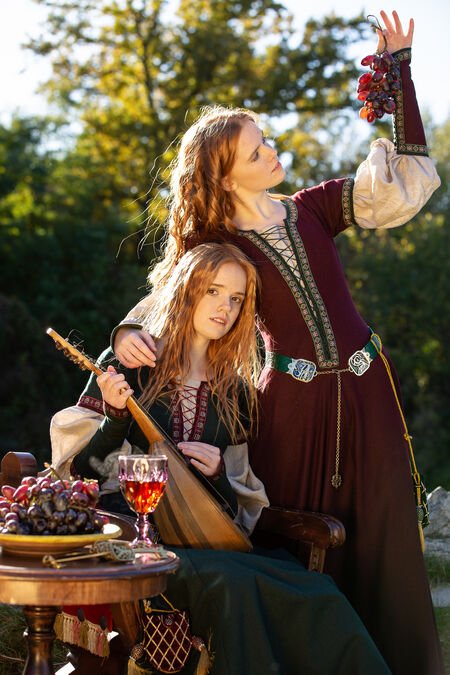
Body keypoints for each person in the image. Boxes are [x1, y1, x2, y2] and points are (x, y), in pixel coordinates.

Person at [110, 11, 443, 674]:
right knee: (299, 537)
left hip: (369, 391)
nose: (272, 152)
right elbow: (167, 300)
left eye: (266, 141)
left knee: (385, 536)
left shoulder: (314, 207)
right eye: (257, 151)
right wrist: (126, 332)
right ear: (227, 176)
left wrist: (400, 73)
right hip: (289, 409)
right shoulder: (215, 244)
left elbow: (406, 183)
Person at [51, 243, 390, 675]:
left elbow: (231, 518)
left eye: (236, 298)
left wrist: (217, 477)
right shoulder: (130, 363)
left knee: (314, 588)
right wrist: (115, 419)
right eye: (213, 291)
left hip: (206, 544)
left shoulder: (235, 393)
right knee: (233, 582)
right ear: (186, 290)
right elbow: (84, 477)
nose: (225, 307)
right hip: (135, 545)